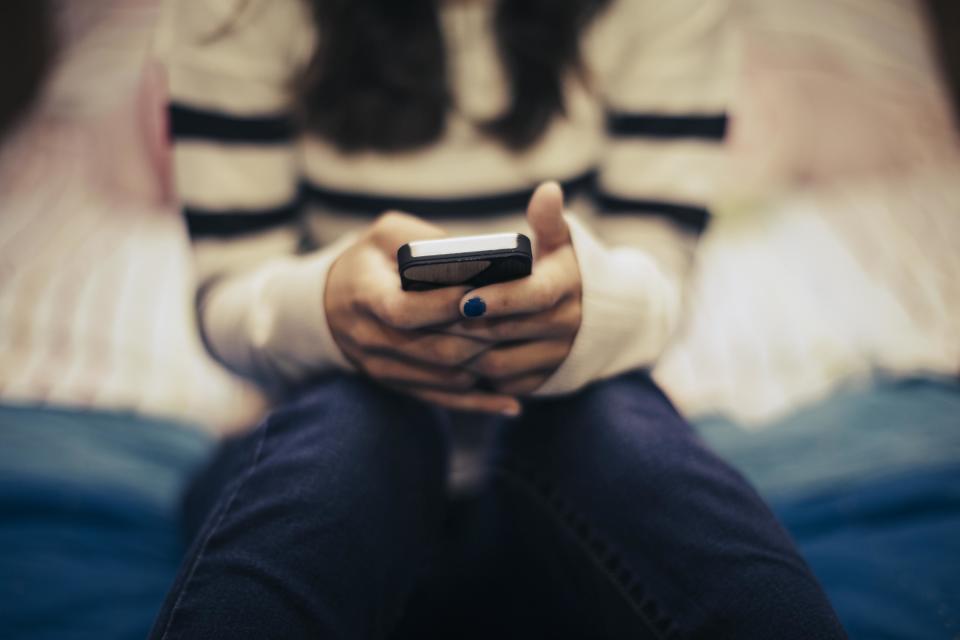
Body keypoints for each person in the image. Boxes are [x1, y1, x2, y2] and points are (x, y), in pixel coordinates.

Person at [150, 0, 847, 637]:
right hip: (336, 447)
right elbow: (227, 293)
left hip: (569, 450)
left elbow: (662, 265)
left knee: (614, 424)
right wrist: (327, 308)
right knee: (354, 427)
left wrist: (584, 314)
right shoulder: (233, 14)